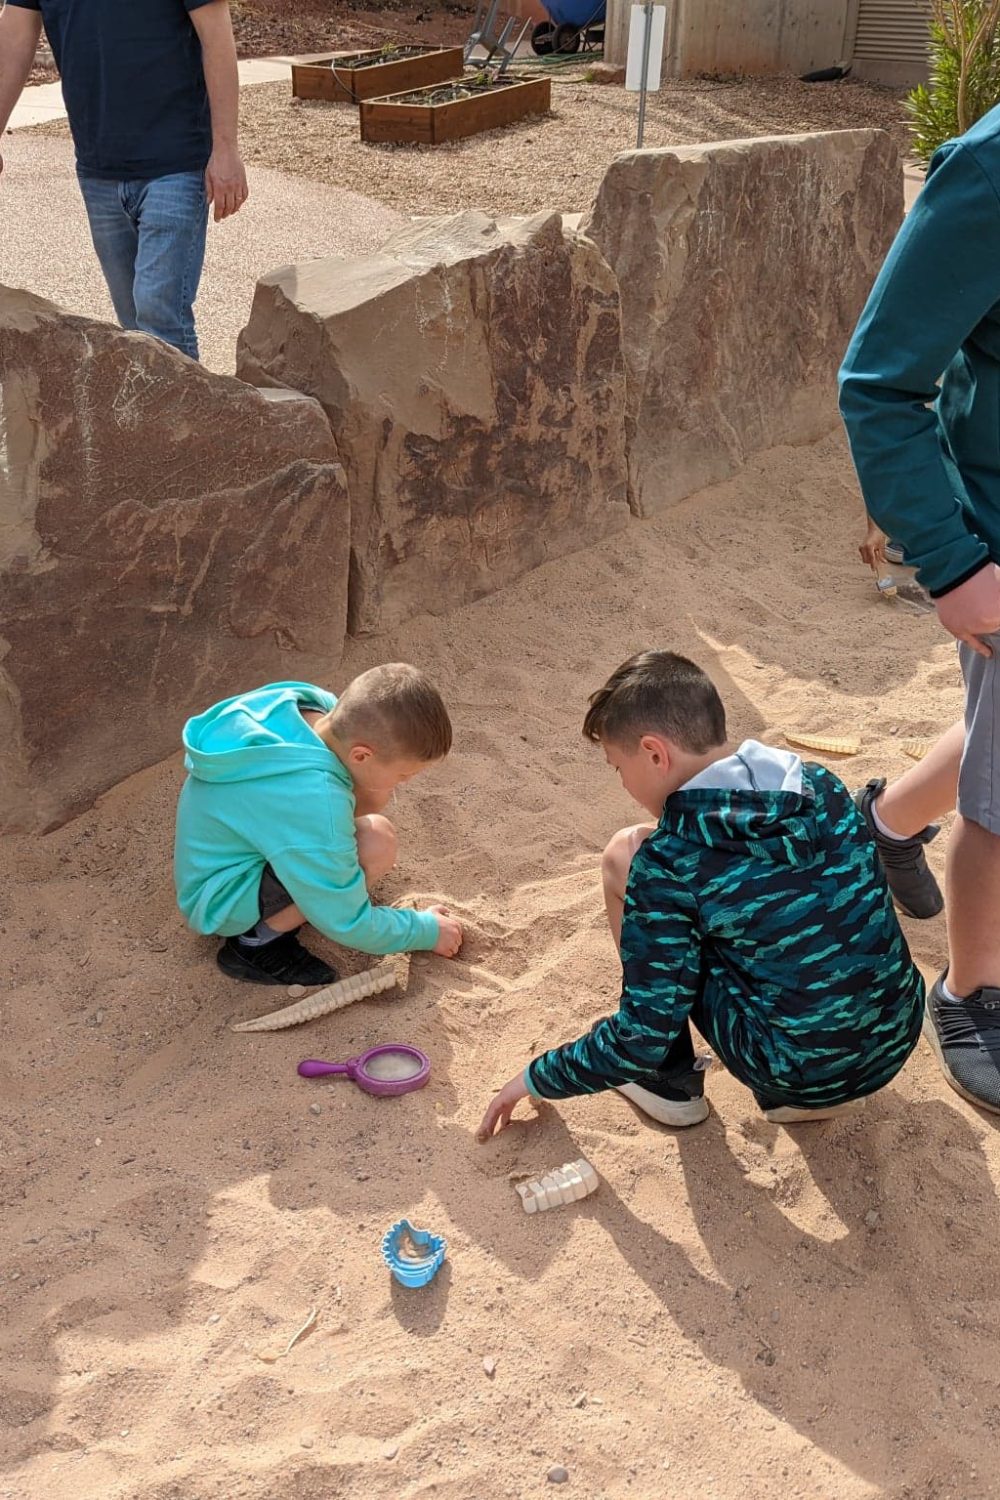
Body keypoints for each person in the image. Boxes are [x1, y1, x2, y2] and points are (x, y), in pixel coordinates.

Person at [478, 651, 924, 1139]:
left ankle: (669, 1079)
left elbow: (640, 1036)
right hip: (897, 1035)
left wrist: (534, 1078)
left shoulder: (668, 863)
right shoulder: (820, 781)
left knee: (624, 856)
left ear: (654, 753)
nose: (623, 784)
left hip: (798, 1073)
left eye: (618, 767)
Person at [839, 106, 1000, 1113]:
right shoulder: (990, 169)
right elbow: (878, 384)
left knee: (993, 734)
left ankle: (886, 822)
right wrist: (950, 564)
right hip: (995, 543)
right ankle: (974, 989)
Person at [174, 666, 463, 987]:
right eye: (404, 775)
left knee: (371, 800)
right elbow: (347, 921)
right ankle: (256, 944)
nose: (405, 783)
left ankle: (302, 887)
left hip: (220, 859)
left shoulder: (309, 705)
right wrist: (426, 931)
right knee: (377, 842)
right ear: (362, 754)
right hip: (221, 901)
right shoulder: (314, 801)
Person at [0, 0, 248, 361]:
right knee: (135, 327)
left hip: (175, 162)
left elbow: (217, 38)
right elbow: (14, 40)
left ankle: (177, 417)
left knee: (159, 317)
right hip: (98, 168)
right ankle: (168, 415)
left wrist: (226, 149)